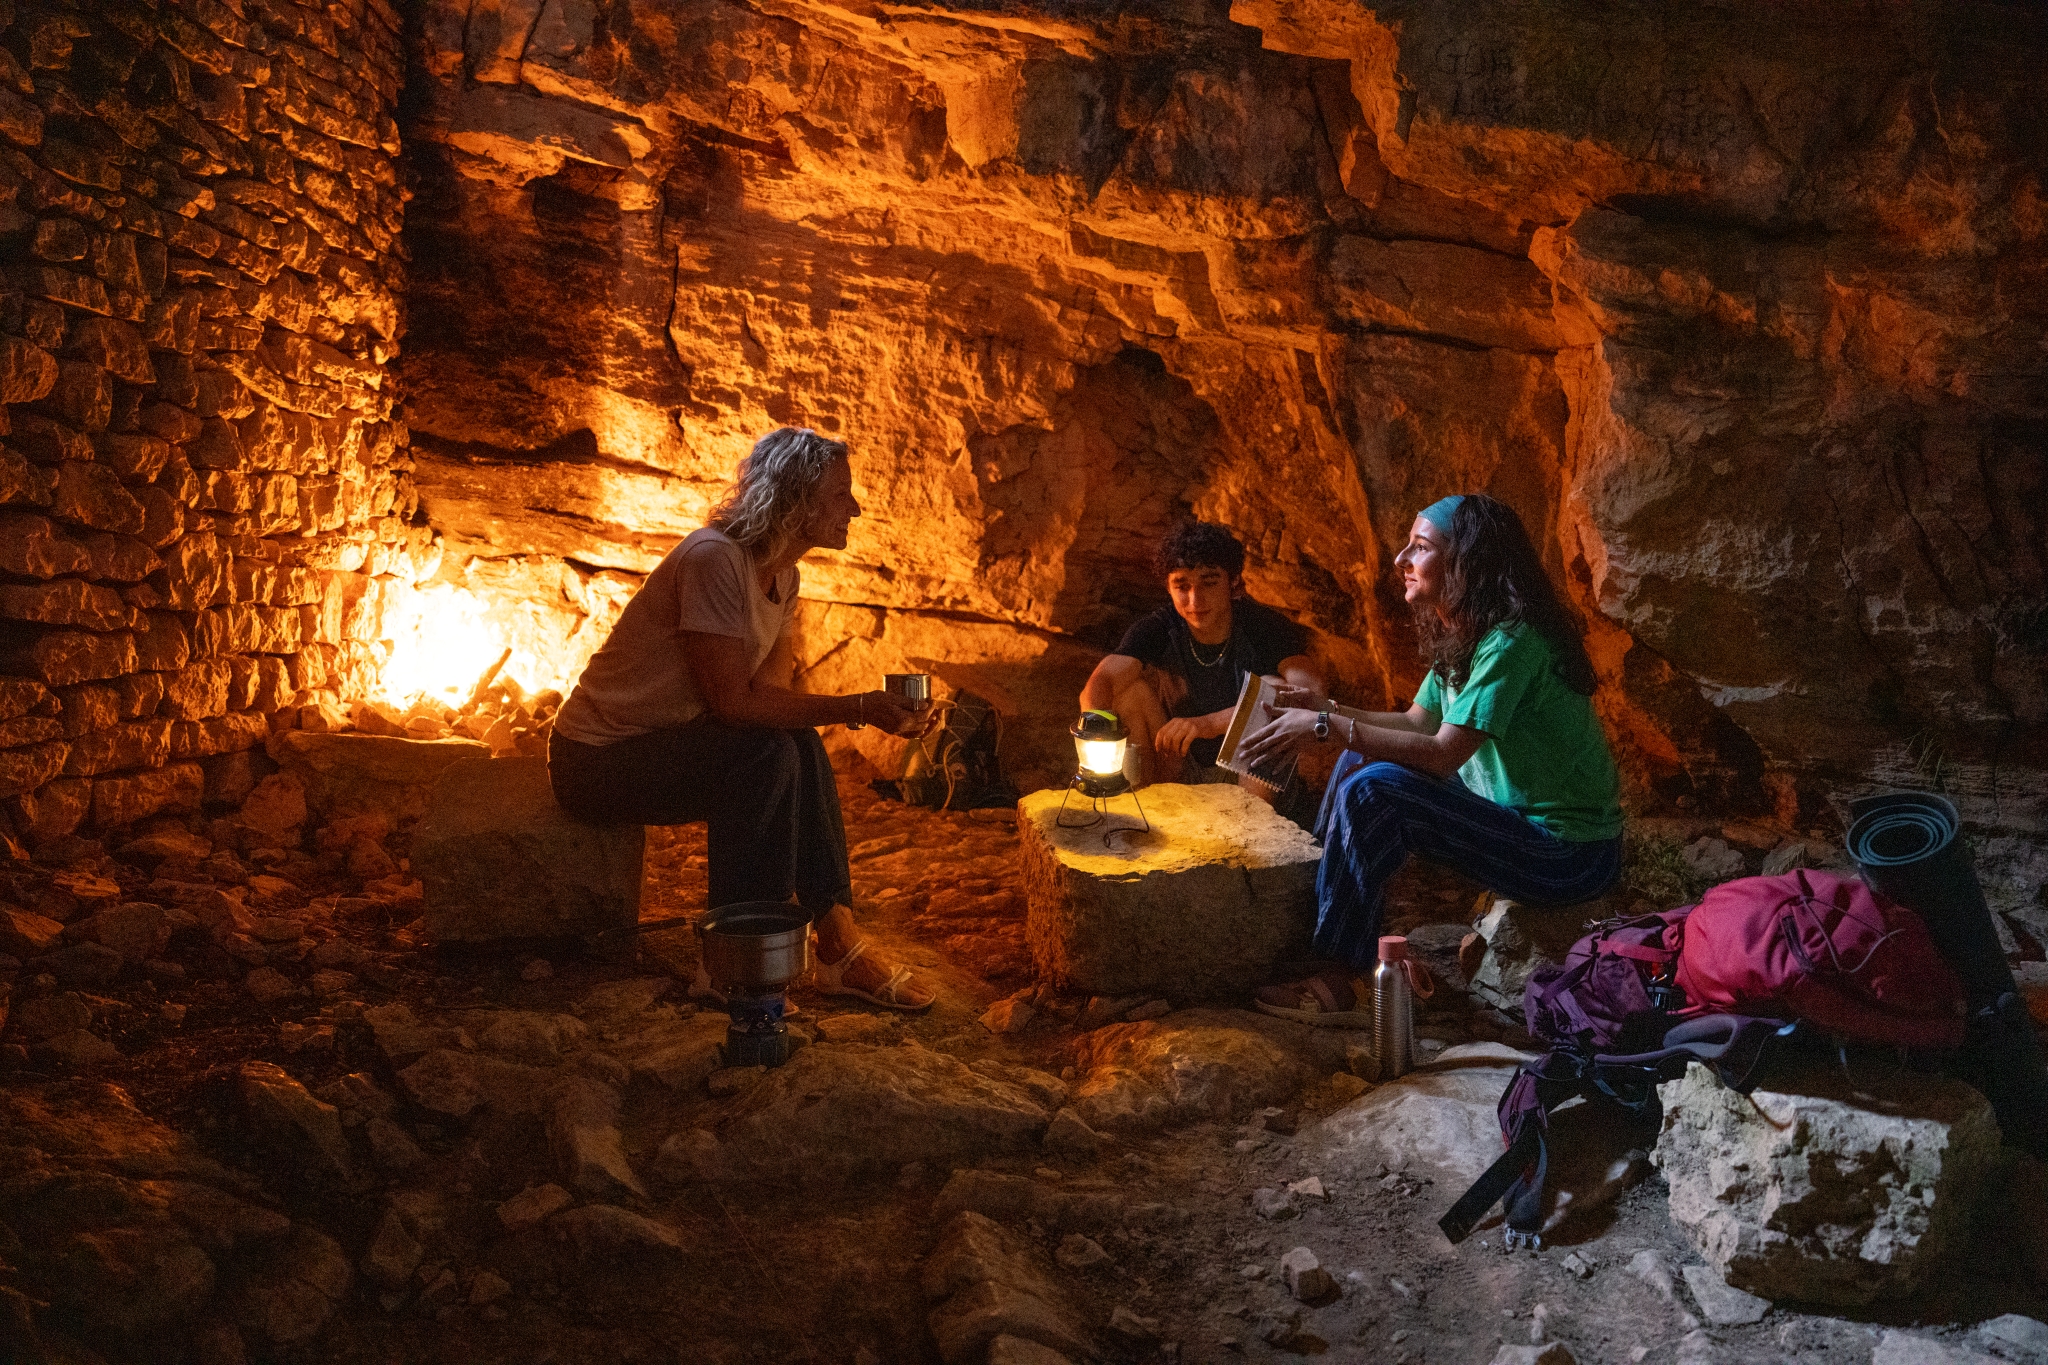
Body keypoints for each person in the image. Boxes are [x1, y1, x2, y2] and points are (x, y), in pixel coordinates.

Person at [548, 427, 936, 1010]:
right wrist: (858, 707)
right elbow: (732, 703)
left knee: (792, 742)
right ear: (796, 499)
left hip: (669, 741)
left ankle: (837, 940)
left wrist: (867, 711)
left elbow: (767, 699)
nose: (854, 508)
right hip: (597, 759)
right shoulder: (713, 560)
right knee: (764, 755)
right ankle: (733, 962)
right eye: (839, 495)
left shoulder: (785, 576)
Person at [1234, 493, 1624, 1024]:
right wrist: (1327, 710)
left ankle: (1343, 979)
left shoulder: (1512, 642)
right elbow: (1417, 723)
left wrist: (1327, 727)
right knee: (1356, 763)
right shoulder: (1467, 632)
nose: (1401, 560)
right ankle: (1320, 930)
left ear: (1465, 561)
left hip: (1568, 855)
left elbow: (1442, 754)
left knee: (1373, 788)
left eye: (1420, 547)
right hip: (1515, 823)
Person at [1078, 521, 1322, 791]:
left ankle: (1252, 814)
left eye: (1209, 583)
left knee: (1271, 689)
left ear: (1233, 581)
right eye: (1182, 586)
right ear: (1168, 587)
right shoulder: (1160, 627)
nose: (1195, 600)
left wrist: (1209, 724)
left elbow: (1311, 695)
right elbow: (1101, 683)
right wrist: (1096, 735)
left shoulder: (1263, 627)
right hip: (1178, 764)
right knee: (1128, 693)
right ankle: (1140, 799)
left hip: (1247, 773)